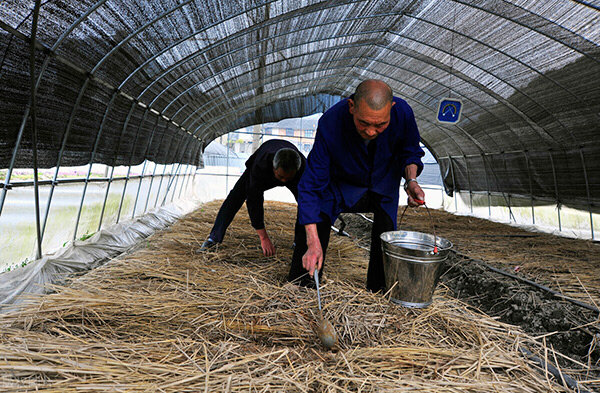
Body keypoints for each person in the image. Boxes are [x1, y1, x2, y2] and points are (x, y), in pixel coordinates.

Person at [288, 79, 425, 291]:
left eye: (380, 125)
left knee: (386, 234)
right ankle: (302, 287)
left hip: (383, 182)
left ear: (392, 108)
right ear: (352, 107)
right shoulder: (331, 122)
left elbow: (411, 152)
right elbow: (312, 183)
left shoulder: (404, 113)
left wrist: (411, 181)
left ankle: (378, 293)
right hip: (340, 184)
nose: (371, 131)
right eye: (364, 123)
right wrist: (312, 240)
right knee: (315, 218)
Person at [198, 139, 306, 256]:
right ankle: (214, 238)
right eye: (281, 177)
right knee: (234, 198)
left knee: (305, 203)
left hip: (294, 175)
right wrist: (263, 237)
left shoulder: (304, 169)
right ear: (274, 168)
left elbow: (310, 204)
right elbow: (254, 200)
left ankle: (299, 243)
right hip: (263, 167)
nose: (284, 181)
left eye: (287, 178)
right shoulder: (261, 165)